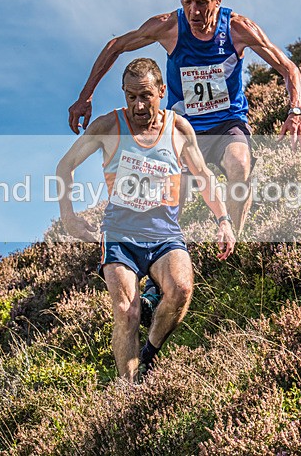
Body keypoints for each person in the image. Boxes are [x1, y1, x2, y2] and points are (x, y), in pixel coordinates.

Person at [68, 0, 301, 236]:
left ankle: (234, 241)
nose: (193, 11)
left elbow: (288, 68)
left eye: (201, 2)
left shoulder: (237, 29)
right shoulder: (169, 26)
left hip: (227, 123)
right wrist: (85, 96)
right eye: (186, 1)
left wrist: (297, 111)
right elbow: (117, 46)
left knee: (240, 164)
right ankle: (166, 255)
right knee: (173, 194)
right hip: (182, 127)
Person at [57, 58, 236, 382]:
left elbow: (204, 175)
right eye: (130, 96)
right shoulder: (107, 127)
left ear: (162, 91)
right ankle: (128, 393)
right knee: (127, 312)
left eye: (146, 96)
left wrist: (223, 219)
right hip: (120, 235)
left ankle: (149, 355)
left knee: (181, 290)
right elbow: (65, 166)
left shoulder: (179, 128)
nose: (138, 105)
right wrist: (68, 217)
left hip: (164, 233)